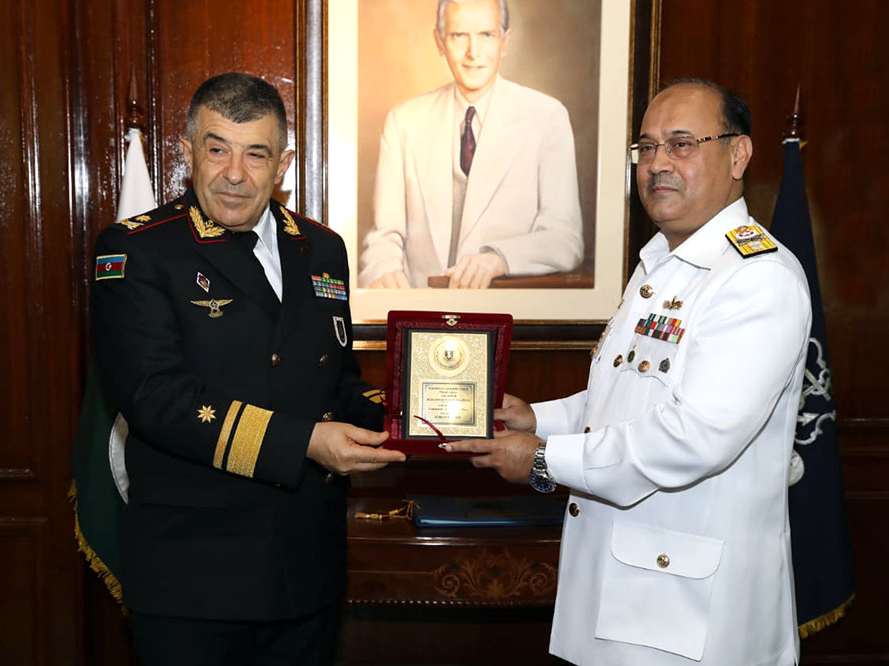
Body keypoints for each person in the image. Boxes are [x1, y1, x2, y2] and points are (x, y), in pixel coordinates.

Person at [446, 79, 810, 665]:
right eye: (647, 147)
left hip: (689, 617)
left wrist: (543, 458)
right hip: (623, 594)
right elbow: (627, 395)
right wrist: (536, 419)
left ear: (738, 155)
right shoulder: (660, 264)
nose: (658, 163)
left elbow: (694, 437)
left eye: (682, 144)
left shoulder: (756, 277)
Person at [91, 72, 406, 666]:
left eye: (255, 154)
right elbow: (156, 398)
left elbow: (336, 383)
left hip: (306, 569)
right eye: (217, 149)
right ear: (187, 153)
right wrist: (305, 443)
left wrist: (414, 413)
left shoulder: (323, 248)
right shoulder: (137, 249)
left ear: (283, 164)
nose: (234, 173)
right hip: (194, 577)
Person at [358, 0, 584, 289]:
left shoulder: (547, 117)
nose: (473, 52)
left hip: (505, 309)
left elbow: (565, 239)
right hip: (421, 308)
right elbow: (384, 236)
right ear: (439, 42)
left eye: (486, 35)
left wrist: (499, 259)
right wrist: (384, 270)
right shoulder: (403, 121)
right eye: (458, 36)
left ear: (505, 42)